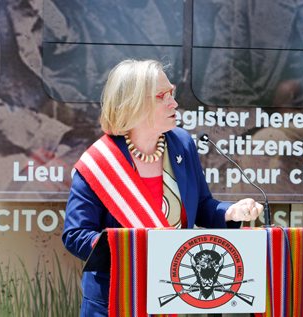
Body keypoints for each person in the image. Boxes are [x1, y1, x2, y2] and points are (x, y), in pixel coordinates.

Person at [62, 59, 263, 316]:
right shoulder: (100, 161)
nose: (174, 103)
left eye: (172, 93)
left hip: (172, 296)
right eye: (162, 95)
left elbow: (201, 206)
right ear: (133, 103)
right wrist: (129, 248)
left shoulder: (181, 143)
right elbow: (75, 235)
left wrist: (231, 211)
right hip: (116, 299)